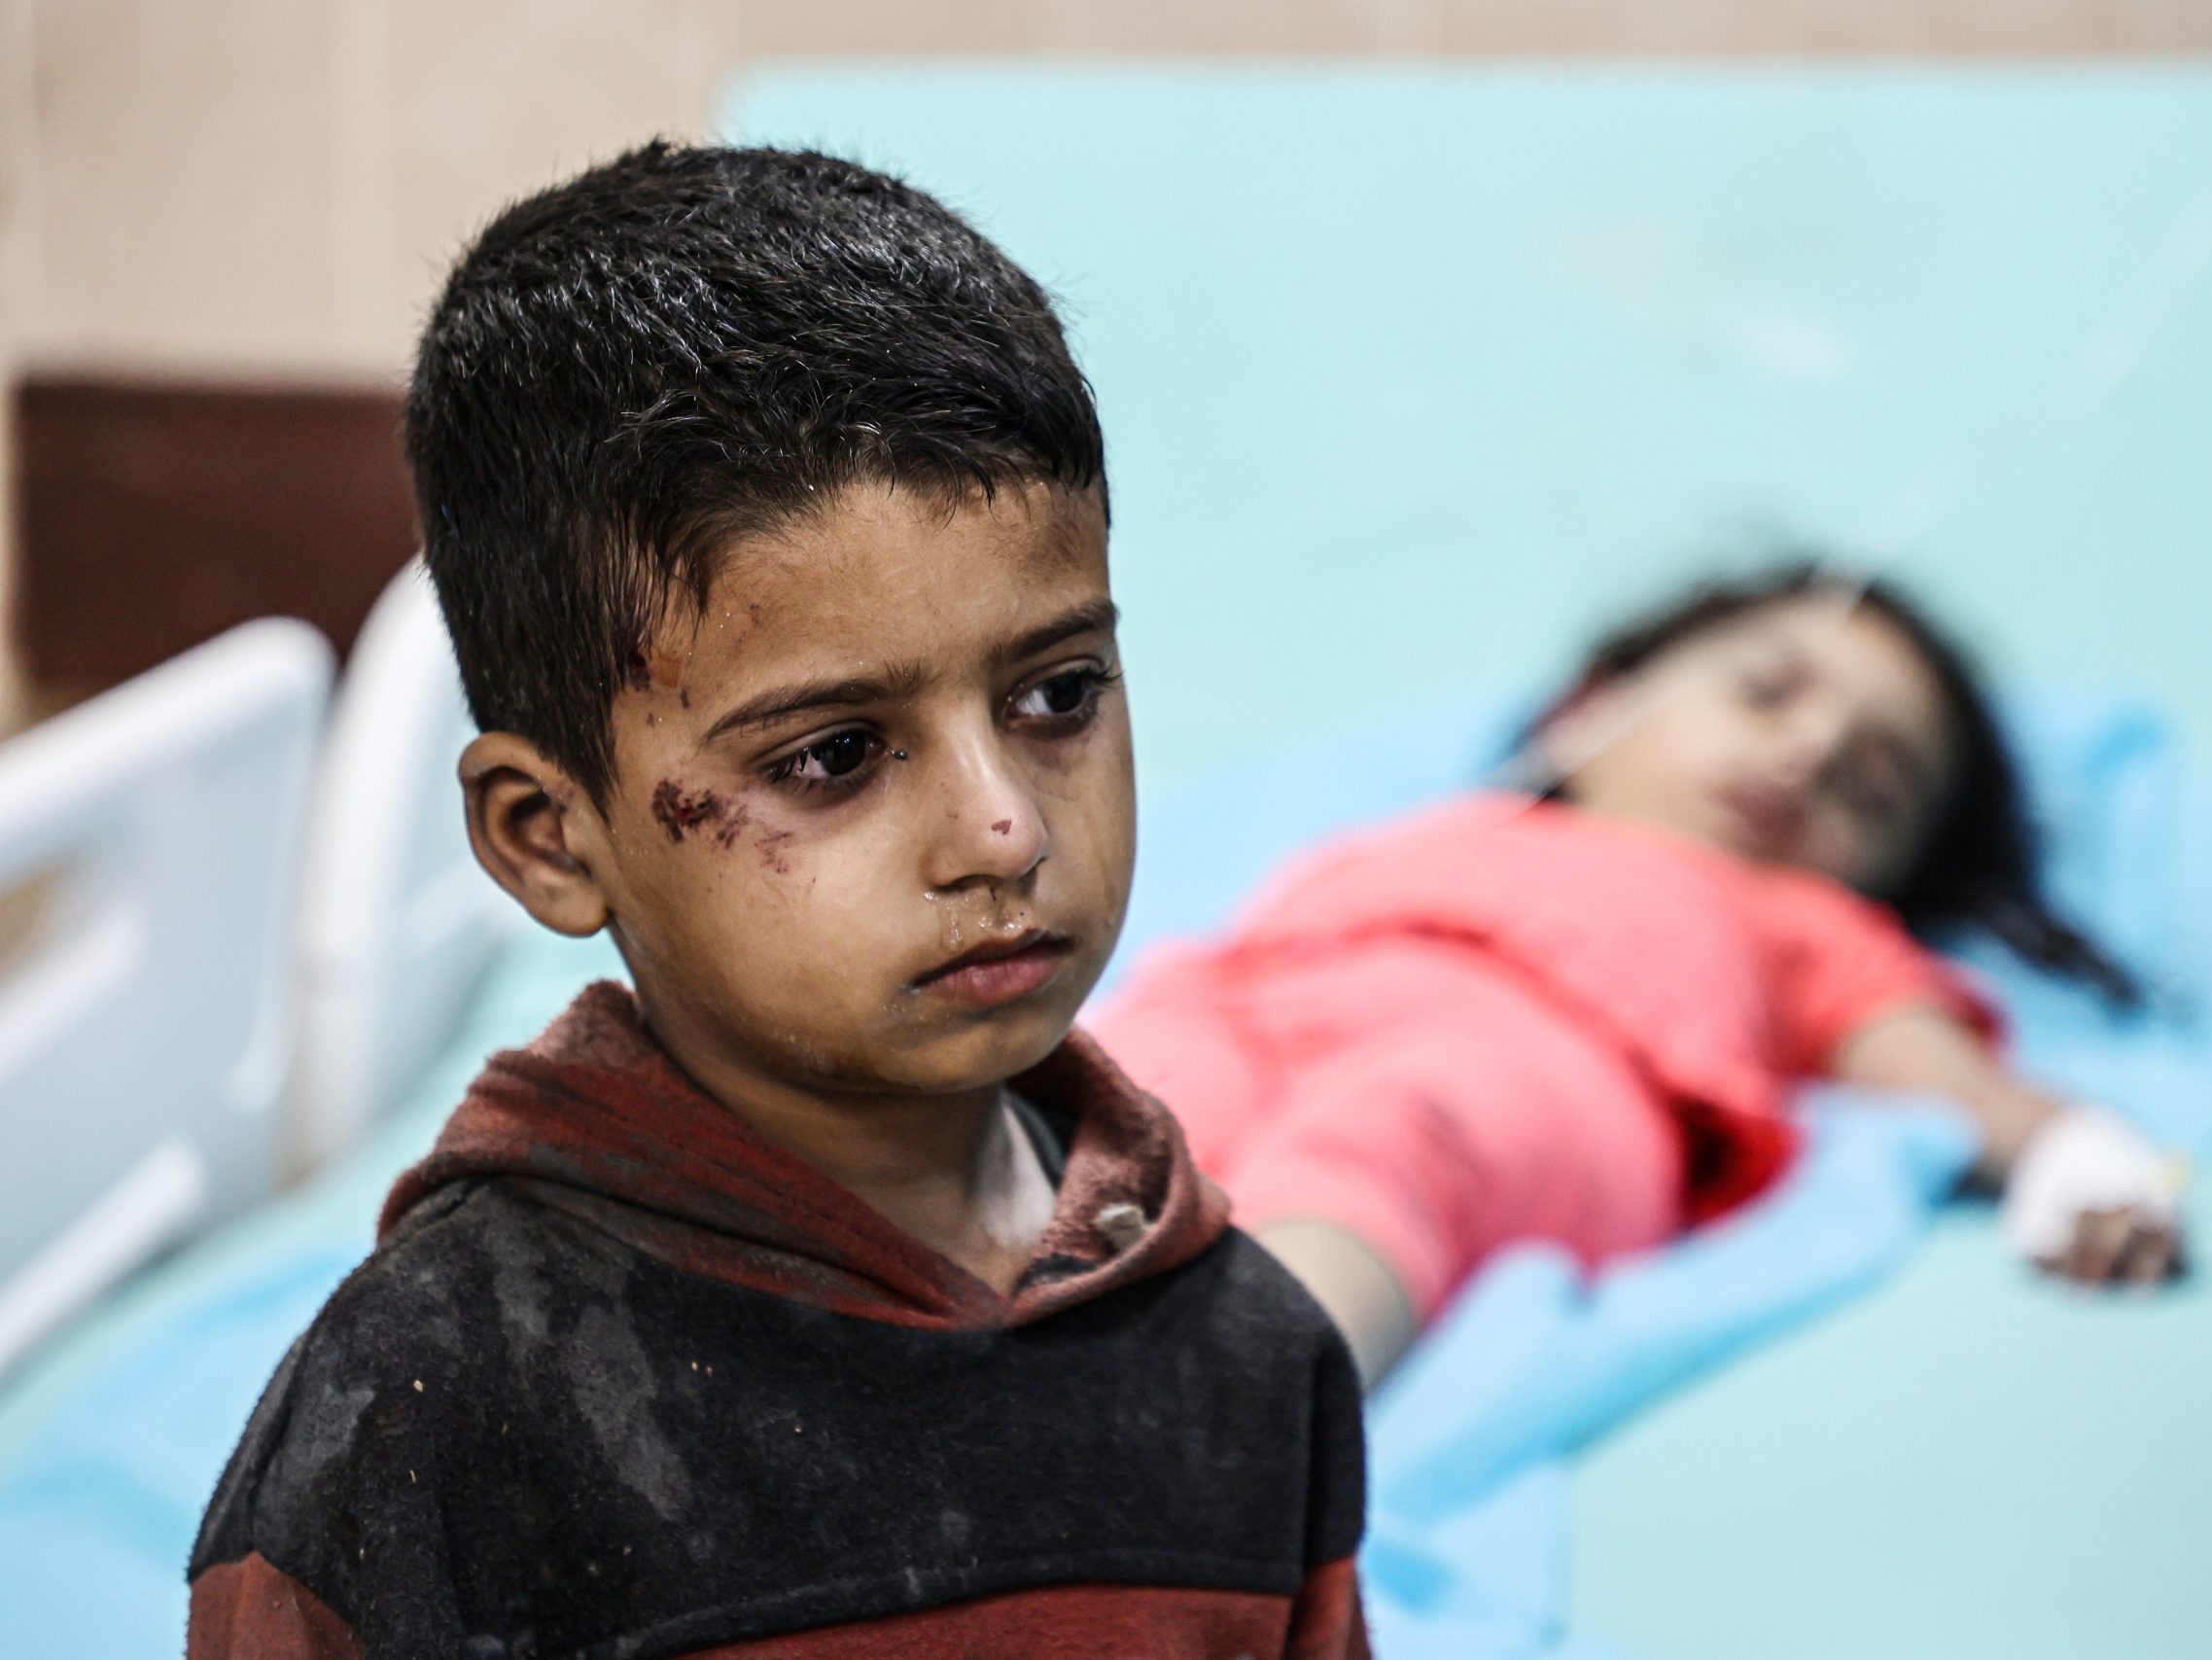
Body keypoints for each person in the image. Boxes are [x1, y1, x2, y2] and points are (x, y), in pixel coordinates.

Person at [187, 144, 1368, 1660]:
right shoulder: (432, 1430)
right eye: (832, 755)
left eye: (1057, 692)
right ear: (552, 837)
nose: (1003, 826)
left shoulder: (1245, 1361)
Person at [1092, 564, 2186, 1386]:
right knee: (1101, 1112)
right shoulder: (1448, 822)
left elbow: (1941, 1075)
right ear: (1590, 706)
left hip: (1541, 1070)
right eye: (1765, 693)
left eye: (1869, 788)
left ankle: (1221, 1420)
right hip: (1249, 999)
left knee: (1399, 1128)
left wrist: (2078, 1160)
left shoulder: (1799, 921)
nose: (1807, 752)